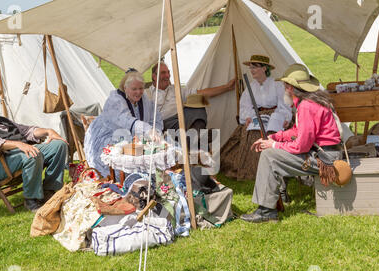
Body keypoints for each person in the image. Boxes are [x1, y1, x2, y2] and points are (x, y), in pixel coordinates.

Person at [241, 63, 343, 223]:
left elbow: (301, 146)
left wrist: (273, 146)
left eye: (285, 86)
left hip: (325, 159)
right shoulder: (309, 102)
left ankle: (266, 211)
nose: (284, 89)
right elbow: (296, 131)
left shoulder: (307, 106)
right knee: (271, 152)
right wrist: (274, 138)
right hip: (324, 154)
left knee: (269, 155)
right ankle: (272, 201)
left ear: (291, 88)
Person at [0, 84, 68, 212]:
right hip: (0, 162)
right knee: (32, 153)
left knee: (59, 145)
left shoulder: (1, 120)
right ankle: (31, 200)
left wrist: (48, 131)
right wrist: (18, 144)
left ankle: (50, 190)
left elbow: (26, 131)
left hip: (19, 154)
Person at [220, 54, 292, 182]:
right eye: (251, 67)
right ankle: (251, 172)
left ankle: (273, 168)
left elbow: (284, 104)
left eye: (255, 67)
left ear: (264, 68)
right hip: (256, 117)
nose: (252, 70)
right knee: (251, 134)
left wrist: (284, 118)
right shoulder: (251, 87)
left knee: (270, 135)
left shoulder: (277, 85)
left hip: (275, 117)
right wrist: (248, 117)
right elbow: (245, 106)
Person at [84, 69, 163, 179]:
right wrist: (147, 130)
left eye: (141, 88)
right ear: (125, 88)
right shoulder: (115, 100)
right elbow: (125, 120)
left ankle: (147, 183)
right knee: (120, 155)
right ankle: (124, 182)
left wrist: (155, 131)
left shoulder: (144, 98)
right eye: (134, 89)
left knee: (153, 150)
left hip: (130, 136)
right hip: (107, 135)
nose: (138, 92)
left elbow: (155, 117)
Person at [147, 62, 235, 132]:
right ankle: (199, 137)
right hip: (166, 124)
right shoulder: (147, 94)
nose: (167, 76)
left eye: (168, 72)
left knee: (198, 104)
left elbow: (201, 93)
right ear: (154, 76)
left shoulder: (176, 89)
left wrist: (227, 87)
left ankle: (198, 134)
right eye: (163, 73)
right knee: (188, 131)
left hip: (182, 119)